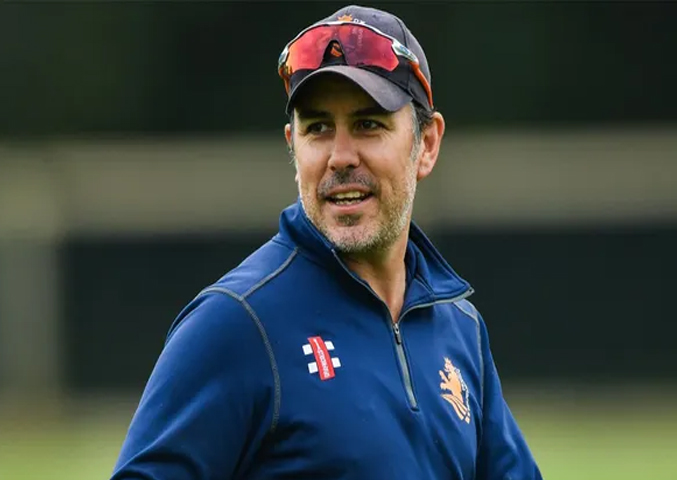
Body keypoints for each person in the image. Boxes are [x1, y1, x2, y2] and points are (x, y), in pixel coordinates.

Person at [110, 5, 543, 480]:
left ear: (427, 144)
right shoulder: (236, 324)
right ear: (292, 145)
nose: (340, 157)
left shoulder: (459, 328)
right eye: (317, 128)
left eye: (368, 124)